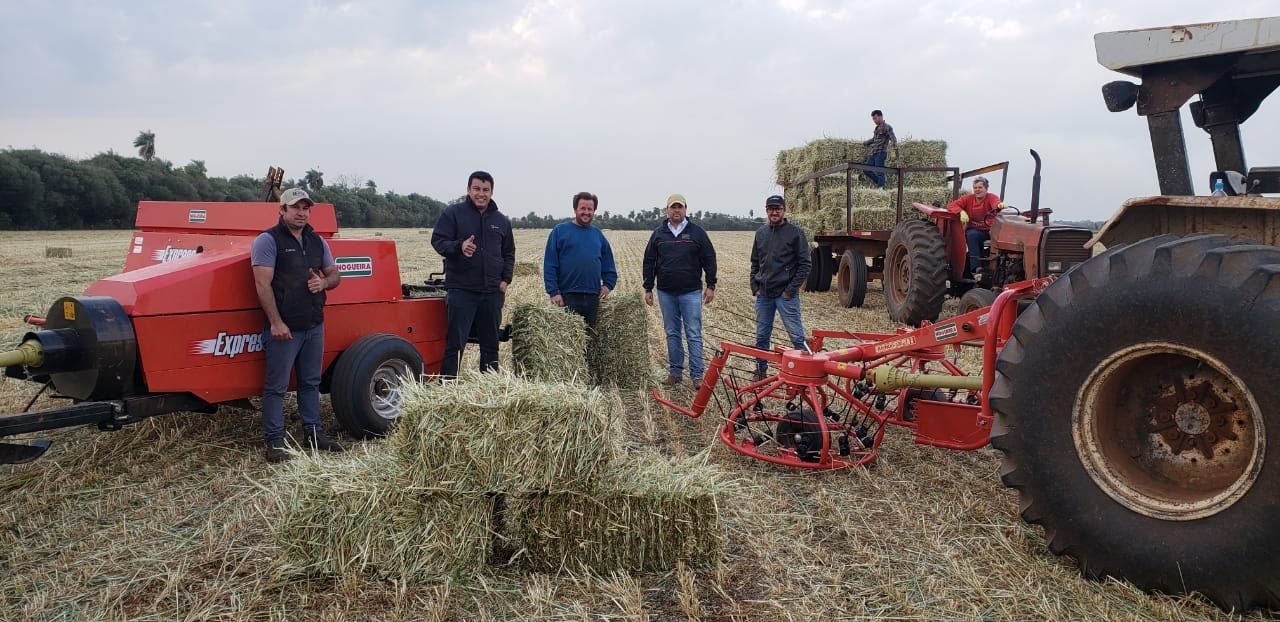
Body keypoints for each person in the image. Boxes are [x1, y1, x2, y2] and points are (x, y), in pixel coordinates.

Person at [251, 187, 345, 464]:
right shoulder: (268, 241)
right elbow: (261, 283)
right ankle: (275, 441)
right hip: (285, 328)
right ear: (282, 210)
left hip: (314, 324)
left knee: (310, 382)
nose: (302, 213)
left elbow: (335, 275)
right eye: (295, 207)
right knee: (276, 387)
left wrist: (324, 283)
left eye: (306, 208)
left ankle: (314, 434)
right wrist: (276, 323)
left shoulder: (317, 242)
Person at [431, 171, 516, 378]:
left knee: (490, 345)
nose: (481, 194)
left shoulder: (501, 221)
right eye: (477, 189)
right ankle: (448, 387)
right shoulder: (453, 214)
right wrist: (459, 246)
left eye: (485, 190)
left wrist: (505, 279)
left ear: (491, 192)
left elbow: (509, 252)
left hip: (492, 292)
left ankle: (488, 386)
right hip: (462, 290)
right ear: (468, 190)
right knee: (455, 344)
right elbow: (438, 241)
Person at [643, 193, 718, 386]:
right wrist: (648, 287)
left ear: (685, 209)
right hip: (666, 292)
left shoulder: (697, 233)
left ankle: (697, 375)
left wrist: (710, 285)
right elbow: (649, 261)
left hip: (690, 292)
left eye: (680, 207)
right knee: (672, 332)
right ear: (667, 210)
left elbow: (709, 259)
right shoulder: (659, 234)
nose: (676, 210)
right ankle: (675, 372)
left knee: (693, 332)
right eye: (673, 207)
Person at [751, 195, 811, 379]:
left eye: (778, 208)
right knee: (761, 336)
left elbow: (805, 264)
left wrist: (789, 291)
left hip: (785, 295)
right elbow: (755, 262)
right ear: (766, 210)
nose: (774, 212)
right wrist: (755, 286)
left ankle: (804, 373)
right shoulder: (761, 233)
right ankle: (761, 370)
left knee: (797, 337)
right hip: (765, 295)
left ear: (784, 210)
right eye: (771, 208)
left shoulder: (795, 233)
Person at [543, 191, 618, 328]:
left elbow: (608, 264)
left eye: (590, 209)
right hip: (567, 296)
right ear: (575, 209)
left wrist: (608, 285)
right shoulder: (560, 231)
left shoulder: (597, 234)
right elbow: (550, 264)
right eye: (582, 208)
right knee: (568, 343)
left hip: (592, 298)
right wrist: (554, 292)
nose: (586, 212)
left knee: (589, 342)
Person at [946, 176, 1002, 276]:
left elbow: (996, 204)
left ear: (986, 188)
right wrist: (961, 212)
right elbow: (951, 205)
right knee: (971, 235)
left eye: (980, 187)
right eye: (975, 187)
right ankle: (977, 268)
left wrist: (999, 206)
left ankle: (997, 268)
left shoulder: (991, 197)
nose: (977, 190)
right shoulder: (968, 198)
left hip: (990, 230)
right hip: (976, 230)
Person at [862, 109, 898, 189]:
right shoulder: (876, 128)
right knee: (866, 169)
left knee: (879, 171)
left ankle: (881, 188)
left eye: (875, 118)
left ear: (881, 117)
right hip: (873, 152)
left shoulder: (887, 127)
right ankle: (880, 182)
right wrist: (865, 143)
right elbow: (874, 139)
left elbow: (893, 138)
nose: (874, 120)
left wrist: (893, 149)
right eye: (873, 119)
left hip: (881, 152)